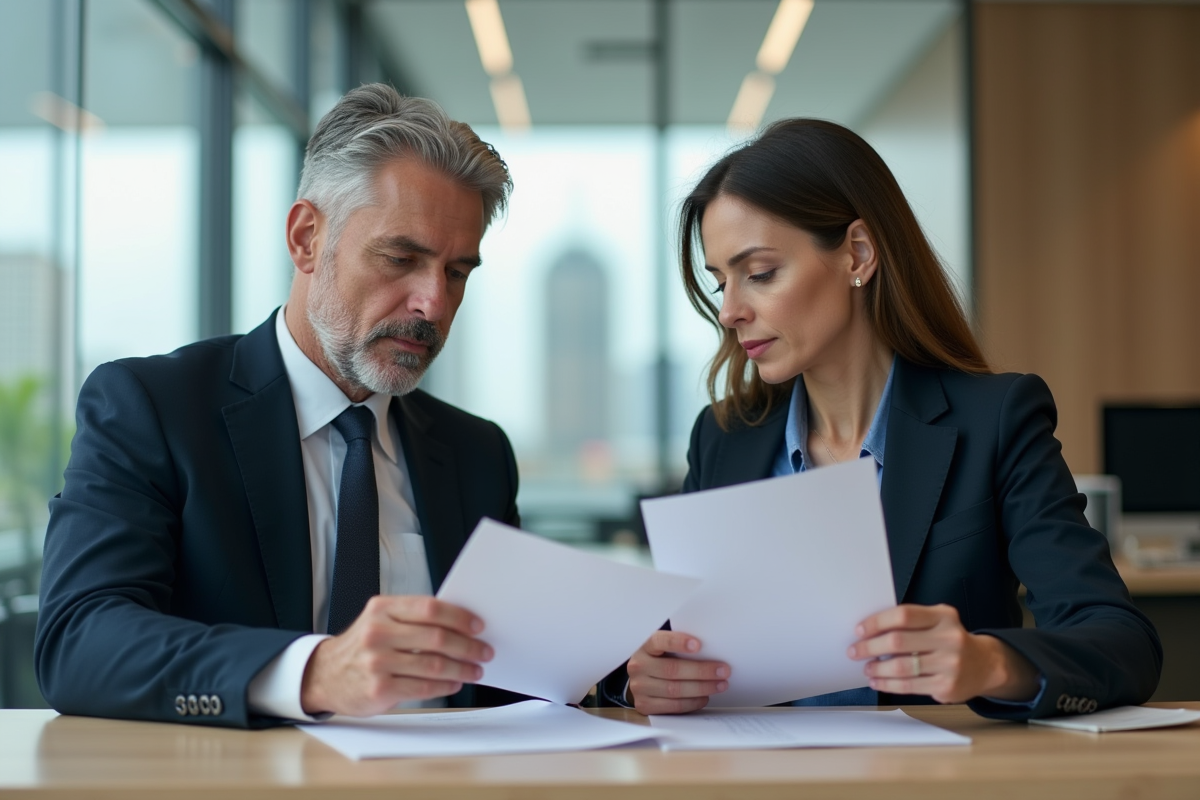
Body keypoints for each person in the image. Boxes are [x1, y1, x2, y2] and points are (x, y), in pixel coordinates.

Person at [619, 119, 1161, 720]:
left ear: (858, 253)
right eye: (721, 282)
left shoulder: (996, 421)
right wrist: (648, 678)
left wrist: (989, 663)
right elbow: (668, 649)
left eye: (761, 273)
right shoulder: (724, 438)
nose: (729, 312)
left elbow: (1121, 641)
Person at [35, 84, 527, 727]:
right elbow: (79, 642)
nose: (433, 303)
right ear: (306, 239)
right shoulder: (154, 410)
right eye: (401, 258)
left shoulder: (476, 452)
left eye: (458, 272)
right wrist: (314, 672)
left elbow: (512, 670)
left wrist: (626, 675)